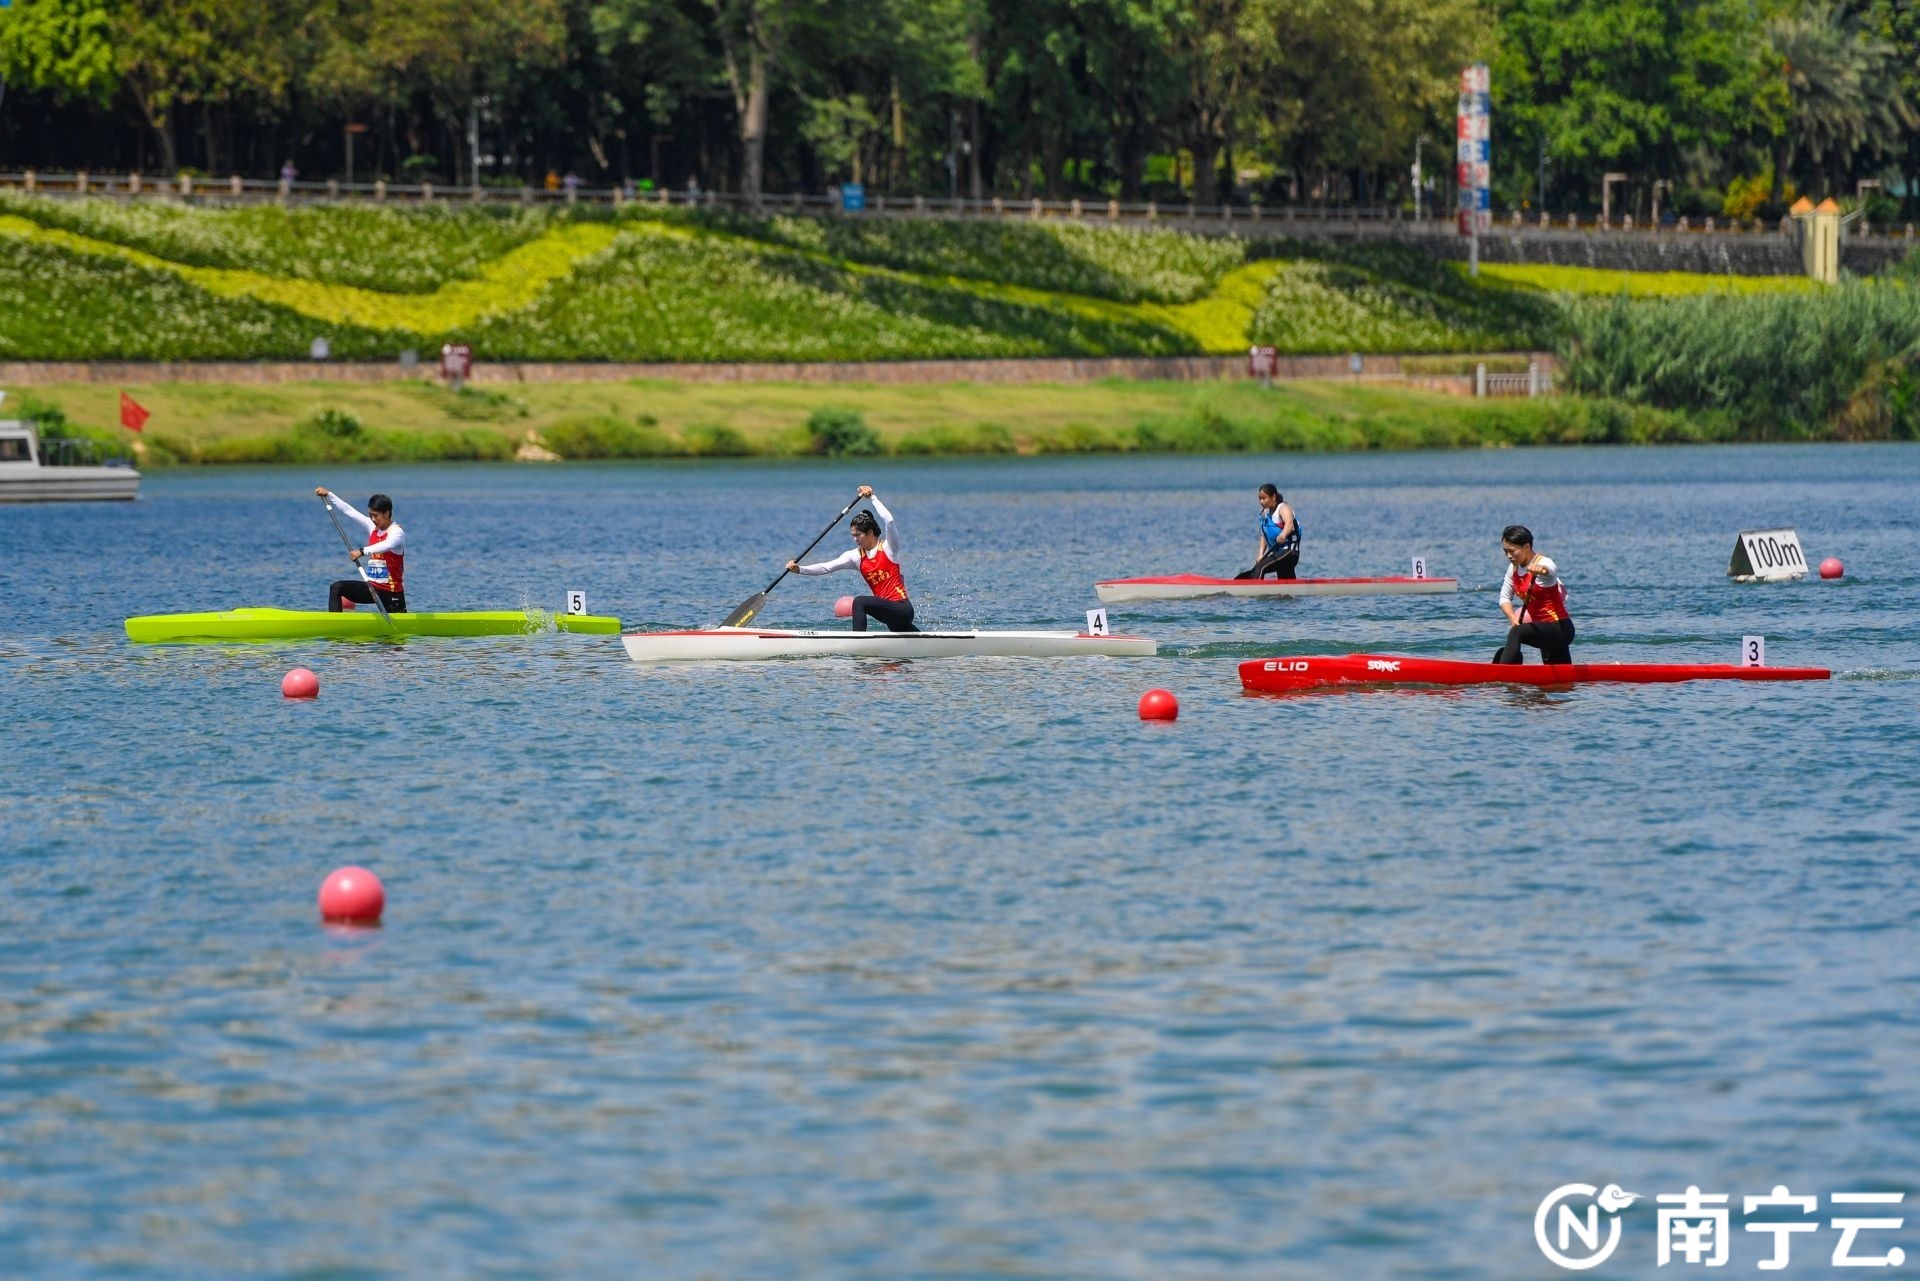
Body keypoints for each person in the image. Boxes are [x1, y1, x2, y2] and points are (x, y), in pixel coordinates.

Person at [788, 485, 917, 632]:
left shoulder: (889, 548)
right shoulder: (855, 556)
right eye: (852, 535)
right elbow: (826, 567)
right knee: (909, 637)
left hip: (902, 608)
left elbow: (890, 521)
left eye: (858, 535)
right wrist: (799, 569)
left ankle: (857, 641)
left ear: (869, 532)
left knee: (859, 602)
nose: (855, 539)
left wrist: (872, 498)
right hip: (888, 615)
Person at [315, 486, 407, 613]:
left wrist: (361, 552)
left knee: (394, 633)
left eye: (376, 516)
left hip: (391, 593)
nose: (373, 519)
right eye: (370, 515)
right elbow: (350, 511)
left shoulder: (397, 532)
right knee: (336, 587)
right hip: (372, 588)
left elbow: (387, 545)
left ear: (387, 513)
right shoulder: (372, 526)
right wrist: (329, 495)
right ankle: (336, 625)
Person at [1494, 524, 1573, 664]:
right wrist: (1513, 618)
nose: (1508, 556)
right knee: (1560, 681)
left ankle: (1502, 675)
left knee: (1517, 632)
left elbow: (1551, 569)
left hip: (1560, 628)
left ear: (1527, 547)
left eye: (1512, 551)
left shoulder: (1543, 562)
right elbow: (1504, 598)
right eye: (1505, 551)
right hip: (1541, 630)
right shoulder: (1513, 568)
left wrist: (1541, 570)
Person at [1236, 482, 1299, 579]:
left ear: (1273, 497)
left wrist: (1283, 534)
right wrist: (1260, 554)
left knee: (1260, 567)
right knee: (1286, 583)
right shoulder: (1266, 513)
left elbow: (1289, 524)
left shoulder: (1283, 508)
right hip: (1279, 554)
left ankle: (1254, 591)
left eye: (1264, 498)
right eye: (1260, 499)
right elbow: (1263, 535)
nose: (1261, 501)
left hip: (1289, 552)